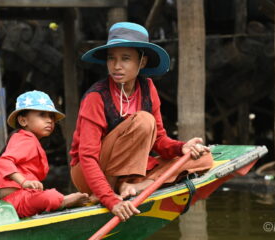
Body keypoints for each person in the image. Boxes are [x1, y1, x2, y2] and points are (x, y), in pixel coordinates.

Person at [70, 22, 213, 221]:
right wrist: (111, 201)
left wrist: (182, 147)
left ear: (142, 62)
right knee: (144, 120)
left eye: (126, 59)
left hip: (128, 173)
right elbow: (87, 157)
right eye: (112, 58)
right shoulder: (96, 96)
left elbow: (159, 141)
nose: (116, 66)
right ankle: (114, 189)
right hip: (90, 174)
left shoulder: (148, 88)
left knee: (204, 159)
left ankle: (133, 186)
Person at [0, 90, 89, 218]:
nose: (49, 120)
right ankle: (63, 201)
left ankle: (61, 200)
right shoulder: (25, 139)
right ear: (23, 121)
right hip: (15, 201)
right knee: (51, 196)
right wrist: (24, 182)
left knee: (46, 195)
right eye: (42, 115)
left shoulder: (27, 139)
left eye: (51, 116)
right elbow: (4, 161)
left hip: (20, 199)